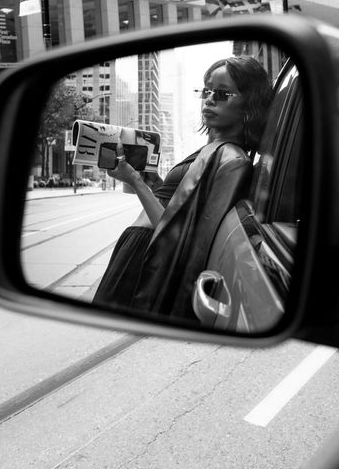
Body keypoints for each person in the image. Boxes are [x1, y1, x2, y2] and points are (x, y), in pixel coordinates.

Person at [93, 55, 273, 321]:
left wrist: (136, 182)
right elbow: (176, 207)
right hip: (137, 249)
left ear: (250, 103)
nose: (210, 99)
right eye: (207, 91)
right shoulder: (215, 150)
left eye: (223, 94)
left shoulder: (232, 161)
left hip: (146, 257)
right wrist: (153, 181)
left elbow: (180, 239)